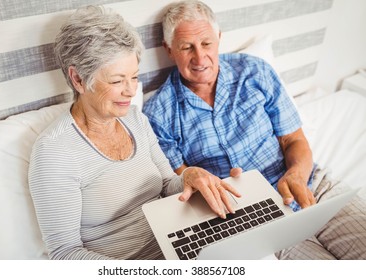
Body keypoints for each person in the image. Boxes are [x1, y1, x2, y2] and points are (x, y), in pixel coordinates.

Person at [143, 0, 366, 259]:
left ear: (219, 38)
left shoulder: (254, 71)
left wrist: (296, 174)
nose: (200, 57)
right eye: (186, 47)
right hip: (257, 217)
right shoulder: (159, 113)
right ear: (169, 50)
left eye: (206, 43)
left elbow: (293, 139)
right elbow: (183, 181)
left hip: (313, 185)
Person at [28, 5, 241, 260]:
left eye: (134, 77)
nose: (130, 91)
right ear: (78, 79)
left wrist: (188, 177)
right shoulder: (55, 151)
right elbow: (65, 254)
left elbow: (165, 184)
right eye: (117, 81)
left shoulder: (136, 119)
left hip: (182, 247)